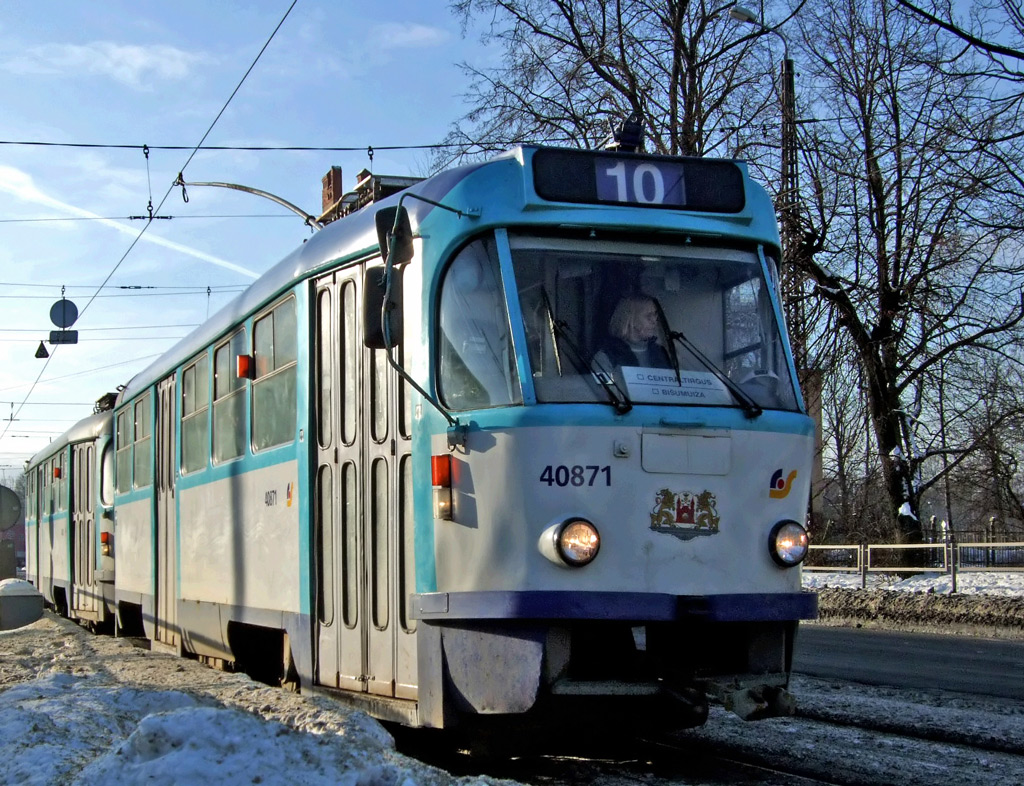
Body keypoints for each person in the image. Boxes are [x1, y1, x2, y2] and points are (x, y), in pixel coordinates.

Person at [593, 294, 673, 370]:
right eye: (648, 316)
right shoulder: (607, 357)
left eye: (655, 315)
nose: (654, 321)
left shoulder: (661, 354)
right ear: (629, 319)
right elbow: (606, 384)